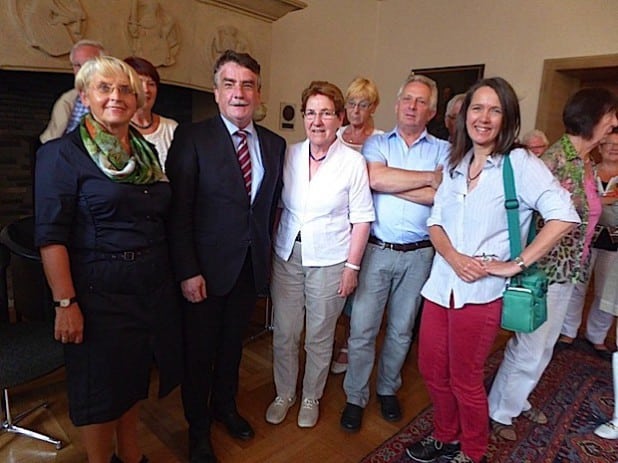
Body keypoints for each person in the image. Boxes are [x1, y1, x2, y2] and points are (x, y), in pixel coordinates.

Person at [403, 77, 578, 463]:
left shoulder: (519, 163)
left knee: (465, 379)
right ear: (465, 116)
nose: (484, 117)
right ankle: (446, 436)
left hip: (482, 293)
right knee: (432, 371)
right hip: (441, 286)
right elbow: (435, 222)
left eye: (494, 109)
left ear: (507, 118)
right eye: (477, 108)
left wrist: (514, 264)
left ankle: (473, 451)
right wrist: (452, 256)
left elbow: (564, 215)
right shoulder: (454, 163)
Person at [35, 56, 182, 463]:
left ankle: (130, 455)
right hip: (97, 294)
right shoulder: (61, 155)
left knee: (132, 380)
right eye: (104, 88)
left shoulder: (146, 153)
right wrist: (66, 303)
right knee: (99, 390)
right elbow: (50, 236)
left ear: (137, 99)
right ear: (85, 96)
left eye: (125, 89)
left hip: (148, 288)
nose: (116, 96)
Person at [166, 50, 285, 463]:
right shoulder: (192, 138)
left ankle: (225, 408)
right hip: (203, 273)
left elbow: (267, 210)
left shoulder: (274, 144)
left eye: (247, 85)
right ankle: (197, 430)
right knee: (199, 354)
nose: (239, 93)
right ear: (217, 93)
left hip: (249, 271)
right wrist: (187, 271)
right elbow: (177, 212)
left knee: (233, 348)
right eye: (230, 84)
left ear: (258, 92)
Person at [488, 87, 618, 442]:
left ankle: (516, 399)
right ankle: (499, 411)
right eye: (610, 116)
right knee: (529, 346)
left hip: (569, 272)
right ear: (592, 119)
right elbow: (522, 220)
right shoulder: (553, 163)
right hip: (544, 273)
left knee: (543, 347)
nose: (615, 123)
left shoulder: (585, 163)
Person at [340, 74, 449, 432]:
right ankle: (355, 397)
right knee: (362, 329)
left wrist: (394, 182)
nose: (412, 107)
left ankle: (387, 389)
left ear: (431, 111)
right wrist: (424, 179)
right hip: (377, 250)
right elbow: (375, 181)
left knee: (402, 330)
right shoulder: (377, 143)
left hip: (420, 254)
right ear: (397, 104)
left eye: (420, 102)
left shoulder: (444, 151)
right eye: (407, 100)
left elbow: (442, 195)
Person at [265, 81, 374, 428]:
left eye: (326, 113)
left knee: (319, 335)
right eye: (310, 113)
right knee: (284, 332)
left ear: (339, 118)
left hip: (330, 260)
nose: (317, 120)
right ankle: (285, 393)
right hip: (287, 255)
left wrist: (352, 267)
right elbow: (278, 206)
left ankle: (311, 395)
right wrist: (271, 251)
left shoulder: (353, 162)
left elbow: (361, 219)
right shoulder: (290, 154)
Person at [331, 76, 383, 375]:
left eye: (363, 104)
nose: (356, 110)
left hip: (369, 225)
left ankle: (352, 345)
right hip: (338, 223)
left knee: (360, 292)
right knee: (336, 288)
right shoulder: (334, 135)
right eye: (351, 103)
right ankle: (334, 340)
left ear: (373, 106)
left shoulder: (381, 139)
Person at [558, 127, 618, 361]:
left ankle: (597, 337)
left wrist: (601, 202)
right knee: (576, 286)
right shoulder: (587, 170)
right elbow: (577, 199)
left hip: (615, 243)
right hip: (585, 238)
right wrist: (606, 200)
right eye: (608, 144)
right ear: (599, 147)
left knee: (608, 292)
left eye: (617, 145)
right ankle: (567, 332)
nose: (613, 149)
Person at [40, 39, 106, 143]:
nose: (82, 71)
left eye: (88, 65)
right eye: (77, 65)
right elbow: (51, 138)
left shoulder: (114, 98)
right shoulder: (67, 99)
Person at [124, 56, 178, 169]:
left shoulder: (171, 128)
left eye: (151, 84)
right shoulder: (118, 129)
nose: (146, 90)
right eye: (139, 82)